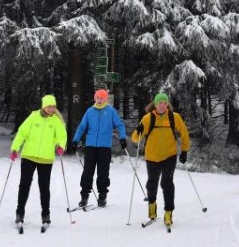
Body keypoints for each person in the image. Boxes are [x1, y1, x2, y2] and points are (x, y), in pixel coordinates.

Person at [130, 91, 191, 227]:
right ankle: (152, 204)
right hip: (152, 157)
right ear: (155, 104)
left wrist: (184, 150)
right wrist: (138, 131)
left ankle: (168, 212)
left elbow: (184, 133)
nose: (162, 105)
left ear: (167, 104)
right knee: (152, 183)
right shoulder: (147, 118)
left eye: (164, 103)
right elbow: (135, 138)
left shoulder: (174, 117)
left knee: (167, 183)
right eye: (160, 103)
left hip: (169, 156)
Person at [10, 94, 68, 228]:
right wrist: (15, 148)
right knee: (24, 185)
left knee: (44, 187)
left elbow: (62, 136)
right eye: (49, 106)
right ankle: (20, 213)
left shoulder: (56, 121)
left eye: (53, 107)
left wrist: (60, 146)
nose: (51, 109)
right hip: (28, 156)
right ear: (44, 106)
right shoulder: (33, 117)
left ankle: (46, 214)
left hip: (46, 159)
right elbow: (21, 133)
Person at [72, 88, 127, 208]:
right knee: (87, 172)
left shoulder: (111, 111)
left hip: (104, 147)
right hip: (90, 146)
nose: (100, 100)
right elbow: (82, 127)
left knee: (103, 173)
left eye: (102, 98)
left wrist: (123, 138)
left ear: (106, 99)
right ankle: (84, 196)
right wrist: (75, 140)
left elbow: (120, 125)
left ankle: (102, 196)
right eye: (98, 98)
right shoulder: (90, 111)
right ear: (95, 98)